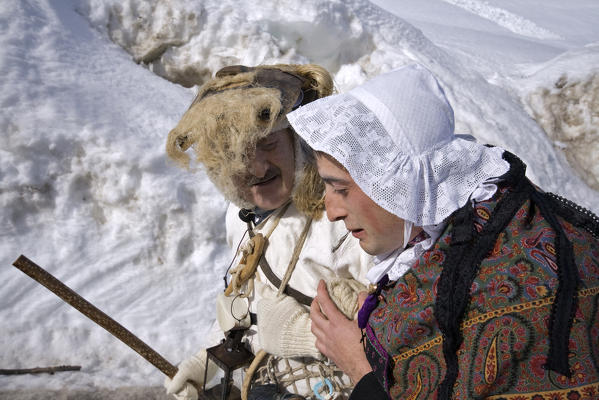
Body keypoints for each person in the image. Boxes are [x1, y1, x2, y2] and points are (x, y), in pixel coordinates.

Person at [286, 64, 599, 399]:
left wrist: (360, 368)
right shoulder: (487, 219)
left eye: (342, 190)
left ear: (397, 183)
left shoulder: (497, 283)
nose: (331, 212)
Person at [164, 64, 372, 400]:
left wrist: (305, 334)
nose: (256, 166)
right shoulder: (241, 219)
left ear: (298, 142)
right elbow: (247, 314)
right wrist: (211, 366)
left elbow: (396, 334)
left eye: (268, 143)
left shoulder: (343, 220)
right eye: (237, 153)